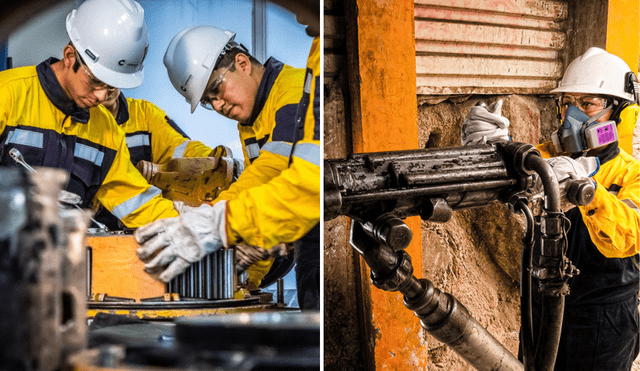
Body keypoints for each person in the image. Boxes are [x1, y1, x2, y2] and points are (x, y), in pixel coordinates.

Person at [462, 47, 640, 370]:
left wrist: (590, 193)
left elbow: (631, 232)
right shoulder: (550, 159)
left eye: (587, 104)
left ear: (620, 113)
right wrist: (490, 151)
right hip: (543, 312)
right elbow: (514, 170)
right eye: (568, 103)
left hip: (604, 323)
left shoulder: (633, 174)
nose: (573, 115)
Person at [134, 26, 321, 309]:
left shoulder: (291, 92)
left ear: (242, 63)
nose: (219, 105)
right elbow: (267, 204)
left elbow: (271, 173)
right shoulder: (251, 122)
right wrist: (247, 279)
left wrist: (211, 219)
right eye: (209, 102)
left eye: (216, 90)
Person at [0, 0, 179, 228]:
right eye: (95, 81)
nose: (102, 96)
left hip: (59, 257)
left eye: (112, 86)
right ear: (69, 57)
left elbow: (136, 201)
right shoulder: (7, 95)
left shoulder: (105, 129)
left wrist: (187, 229)